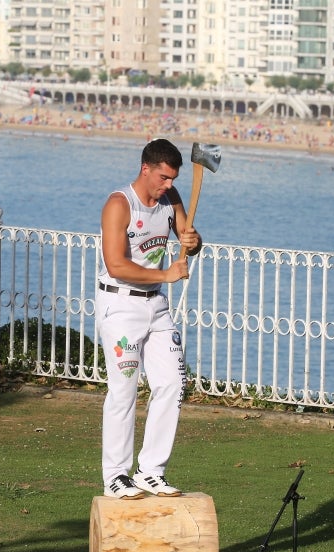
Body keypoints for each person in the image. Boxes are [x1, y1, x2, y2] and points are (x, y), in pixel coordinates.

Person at [96, 138, 202, 499]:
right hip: (121, 307)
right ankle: (115, 475)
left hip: (156, 306)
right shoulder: (118, 204)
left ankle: (150, 471)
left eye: (173, 178)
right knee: (123, 391)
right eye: (163, 177)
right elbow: (116, 264)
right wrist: (166, 275)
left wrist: (193, 238)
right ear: (146, 168)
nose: (168, 185)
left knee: (172, 384)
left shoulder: (170, 200)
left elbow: (190, 239)